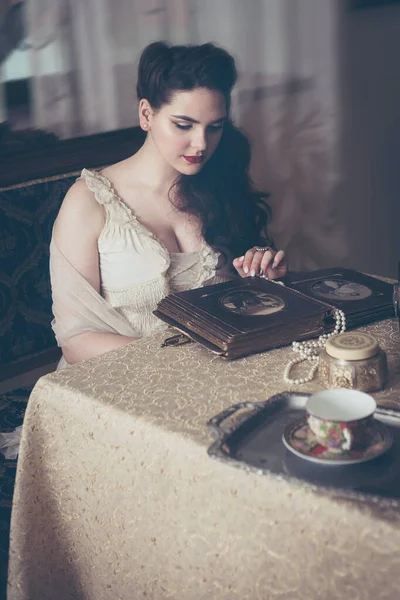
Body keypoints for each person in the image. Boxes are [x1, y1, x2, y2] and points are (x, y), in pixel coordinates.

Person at [50, 41, 287, 367]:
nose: (201, 144)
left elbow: (240, 315)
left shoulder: (221, 188)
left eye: (214, 127)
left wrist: (266, 285)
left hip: (219, 375)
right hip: (118, 382)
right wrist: (182, 362)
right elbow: (76, 340)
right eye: (183, 125)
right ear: (146, 114)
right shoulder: (89, 202)